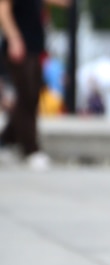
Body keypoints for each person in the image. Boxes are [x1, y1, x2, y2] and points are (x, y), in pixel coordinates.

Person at [0, 0, 70, 170]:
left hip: (35, 47)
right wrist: (14, 38)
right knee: (27, 96)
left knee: (31, 97)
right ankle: (31, 149)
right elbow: (3, 9)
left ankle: (6, 140)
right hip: (19, 47)